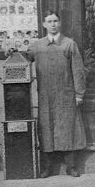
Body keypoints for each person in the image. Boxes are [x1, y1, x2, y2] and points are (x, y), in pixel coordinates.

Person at [27, 11, 86, 178]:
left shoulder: (69, 44)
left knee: (68, 129)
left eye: (55, 21)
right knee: (46, 129)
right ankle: (47, 168)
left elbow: (78, 71)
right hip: (45, 96)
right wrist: (10, 52)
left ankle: (71, 167)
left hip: (66, 95)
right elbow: (23, 58)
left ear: (60, 23)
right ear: (44, 24)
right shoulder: (37, 46)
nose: (53, 24)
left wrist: (79, 93)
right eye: (49, 21)